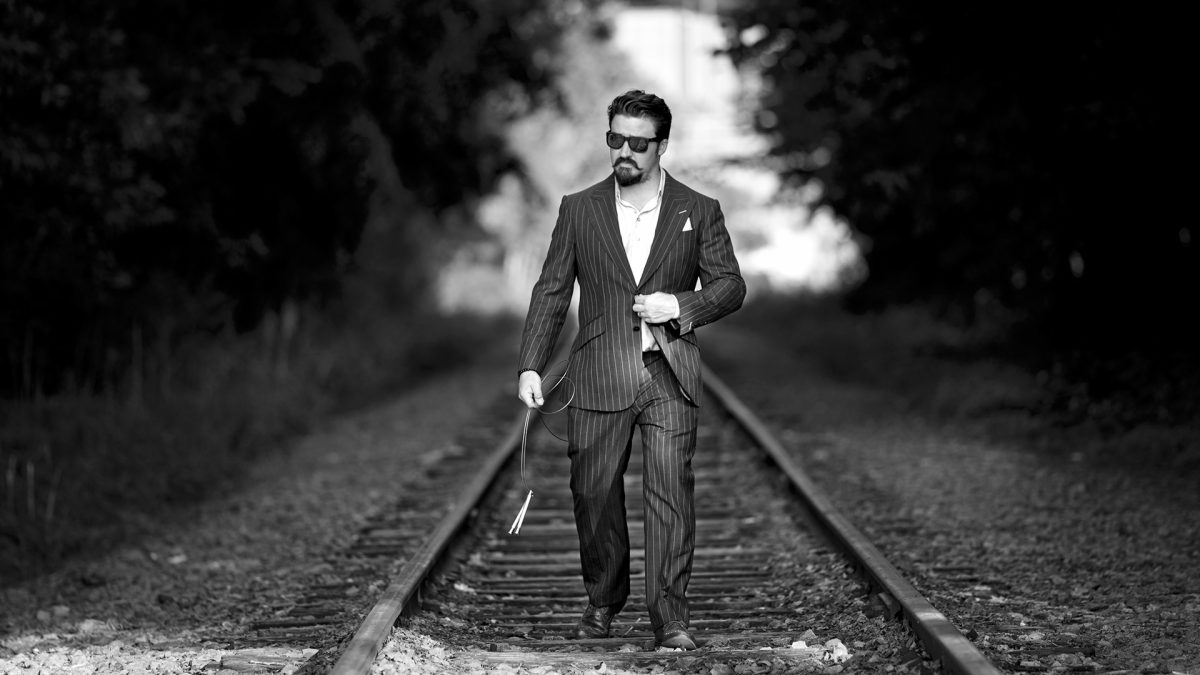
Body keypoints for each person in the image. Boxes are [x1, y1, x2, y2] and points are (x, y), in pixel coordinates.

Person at [516, 89, 745, 650]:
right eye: (615, 138)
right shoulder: (579, 207)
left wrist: (682, 307)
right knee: (593, 492)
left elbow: (731, 285)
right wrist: (531, 366)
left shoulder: (699, 210)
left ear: (662, 147)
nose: (624, 151)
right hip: (597, 370)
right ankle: (602, 601)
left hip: (668, 371)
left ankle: (671, 618)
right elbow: (551, 291)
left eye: (637, 143)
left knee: (670, 492)